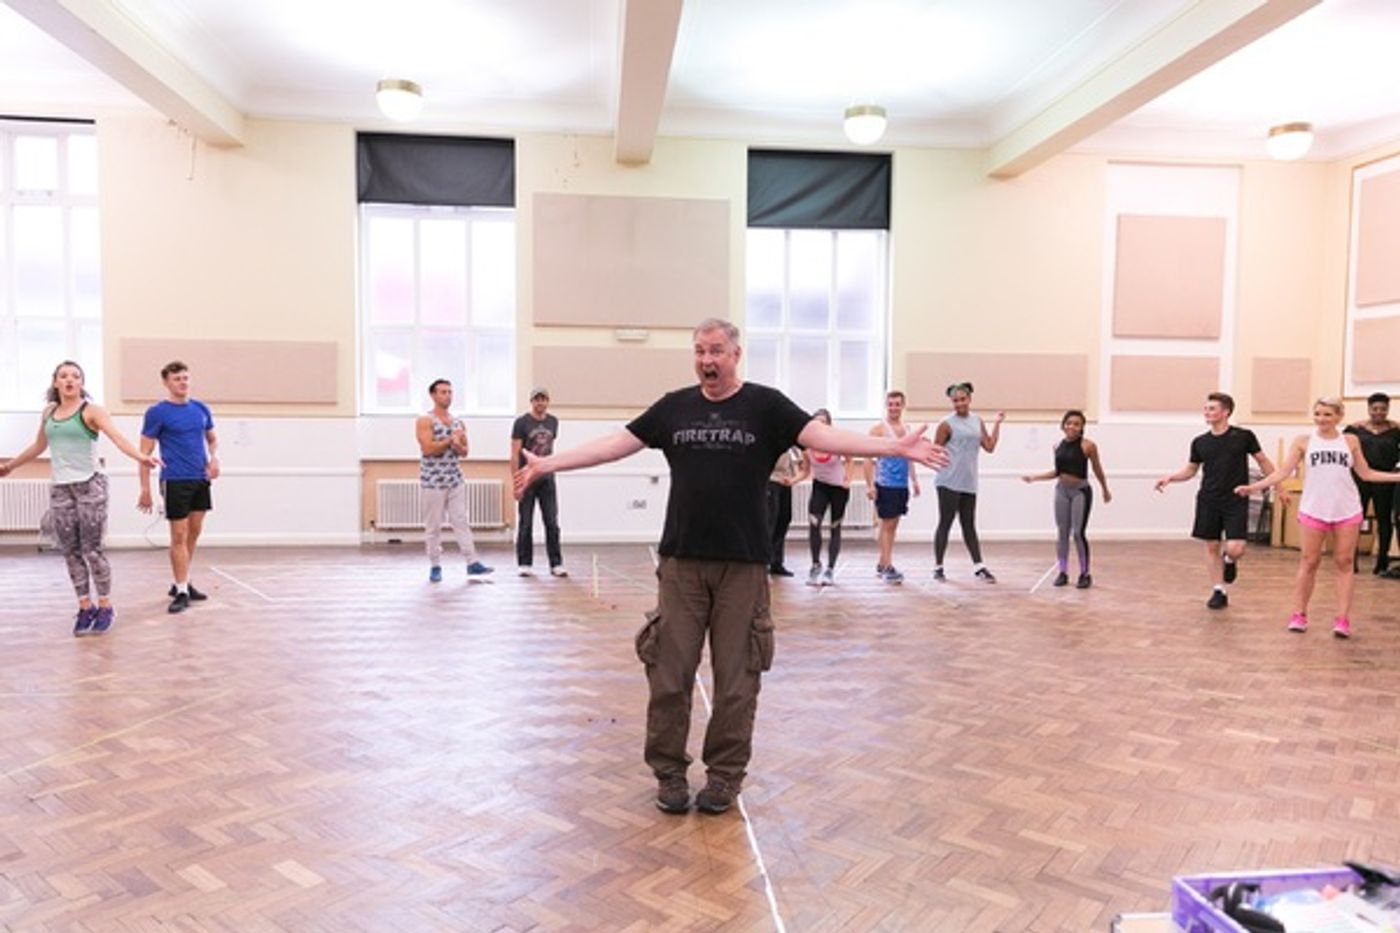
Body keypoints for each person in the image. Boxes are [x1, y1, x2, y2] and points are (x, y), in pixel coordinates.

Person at [513, 319, 947, 816]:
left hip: (743, 565)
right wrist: (548, 464)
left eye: (716, 350)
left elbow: (822, 435)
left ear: (736, 354)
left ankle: (723, 777)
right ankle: (669, 772)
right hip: (682, 564)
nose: (707, 360)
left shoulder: (766, 406)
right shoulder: (674, 407)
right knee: (669, 675)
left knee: (737, 681)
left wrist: (893, 446)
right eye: (700, 351)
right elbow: (617, 443)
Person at [0, 361, 159, 636]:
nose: (70, 380)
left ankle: (105, 606)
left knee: (92, 550)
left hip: (90, 485)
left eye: (75, 376)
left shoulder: (92, 411)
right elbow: (39, 446)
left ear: (82, 383)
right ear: (56, 382)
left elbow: (117, 438)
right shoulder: (49, 413)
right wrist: (10, 466)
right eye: (64, 376)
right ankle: (85, 607)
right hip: (61, 488)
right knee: (70, 551)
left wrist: (141, 457)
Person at [1235, 397, 1400, 638]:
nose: (1321, 419)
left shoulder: (1350, 441)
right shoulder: (1303, 441)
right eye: (1318, 414)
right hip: (1314, 509)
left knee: (1344, 562)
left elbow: (1366, 473)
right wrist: (1253, 487)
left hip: (1346, 509)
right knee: (1309, 561)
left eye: (1327, 414)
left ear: (1339, 417)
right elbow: (1283, 472)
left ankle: (1342, 619)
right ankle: (1299, 614)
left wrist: (1397, 477)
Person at [1154, 392, 1276, 610]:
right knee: (1212, 546)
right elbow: (1191, 470)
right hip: (1209, 499)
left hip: (1236, 498)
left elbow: (1263, 460)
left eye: (1212, 409)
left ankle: (1229, 560)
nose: (1207, 412)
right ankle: (1219, 590)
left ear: (1225, 412)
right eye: (1205, 409)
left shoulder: (1243, 436)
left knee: (1236, 548)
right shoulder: (1200, 442)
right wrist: (1170, 478)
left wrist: (1278, 485)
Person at [139, 361, 219, 614]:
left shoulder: (200, 409)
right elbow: (144, 453)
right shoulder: (157, 413)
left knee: (194, 532)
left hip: (200, 478)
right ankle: (182, 590)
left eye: (185, 378)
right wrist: (145, 489)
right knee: (179, 536)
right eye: (177, 379)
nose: (182, 382)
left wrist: (214, 458)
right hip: (174, 479)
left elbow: (212, 439)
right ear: (166, 383)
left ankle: (181, 583)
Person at [1021, 410, 1112, 588]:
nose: (1072, 426)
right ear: (1063, 425)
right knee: (1062, 532)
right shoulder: (1057, 446)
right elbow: (1057, 471)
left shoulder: (1088, 446)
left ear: (1082, 427)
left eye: (1076, 424)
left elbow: (1097, 468)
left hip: (1080, 492)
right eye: (1069, 423)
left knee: (1078, 533)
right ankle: (1062, 572)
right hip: (1062, 491)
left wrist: (1105, 489)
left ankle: (1085, 573)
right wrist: (1034, 478)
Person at [417, 378, 493, 583]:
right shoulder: (425, 420)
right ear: (433, 395)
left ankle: (472, 562)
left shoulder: (458, 422)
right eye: (443, 392)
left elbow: (465, 452)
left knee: (461, 521)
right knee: (433, 526)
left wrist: (458, 445)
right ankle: (435, 565)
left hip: (455, 479)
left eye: (450, 392)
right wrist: (450, 440)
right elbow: (428, 449)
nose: (447, 396)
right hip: (432, 481)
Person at [932, 382, 1003, 583]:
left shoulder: (977, 421)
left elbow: (989, 446)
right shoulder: (946, 424)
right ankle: (938, 567)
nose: (959, 403)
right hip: (948, 481)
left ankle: (979, 566)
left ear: (969, 399)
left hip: (969, 481)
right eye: (955, 400)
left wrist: (997, 423)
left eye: (963, 399)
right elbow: (936, 450)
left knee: (969, 524)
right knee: (945, 522)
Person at [863, 390, 919, 584]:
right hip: (885, 484)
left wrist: (914, 481)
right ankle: (887, 566)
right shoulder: (878, 430)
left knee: (893, 526)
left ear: (903, 406)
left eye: (897, 404)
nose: (894, 408)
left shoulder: (907, 429)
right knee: (886, 525)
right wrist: (870, 485)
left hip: (901, 485)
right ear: (886, 405)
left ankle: (882, 562)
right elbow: (868, 459)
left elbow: (910, 458)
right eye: (890, 404)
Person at [511, 387, 565, 577]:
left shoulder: (553, 422)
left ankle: (556, 563)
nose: (540, 402)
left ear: (548, 401)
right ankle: (524, 563)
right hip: (527, 478)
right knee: (526, 522)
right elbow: (515, 453)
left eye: (543, 399)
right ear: (531, 401)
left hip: (547, 478)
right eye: (537, 399)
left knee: (551, 522)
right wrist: (517, 482)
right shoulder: (521, 422)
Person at [1344, 392, 1399, 576]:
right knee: (1355, 519)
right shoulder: (1355, 429)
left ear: (1388, 409)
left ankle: (1382, 561)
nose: (1379, 412)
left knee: (1384, 520)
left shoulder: (1396, 430)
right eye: (1375, 409)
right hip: (1359, 479)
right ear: (1369, 409)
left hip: (1385, 479)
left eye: (1383, 409)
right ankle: (1351, 560)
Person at [804, 409, 856, 587]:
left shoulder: (836, 442)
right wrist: (792, 480)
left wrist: (848, 479)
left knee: (835, 527)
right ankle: (815, 565)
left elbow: (849, 459)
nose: (820, 425)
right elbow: (804, 470)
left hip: (838, 489)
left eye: (823, 422)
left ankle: (830, 569)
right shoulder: (808, 445)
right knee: (814, 523)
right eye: (817, 422)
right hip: (820, 487)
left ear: (829, 425)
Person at [765, 444, 809, 577]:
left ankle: (776, 562)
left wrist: (793, 479)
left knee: (784, 519)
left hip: (785, 482)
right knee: (770, 521)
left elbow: (802, 464)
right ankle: (764, 561)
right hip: (771, 481)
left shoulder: (791, 447)